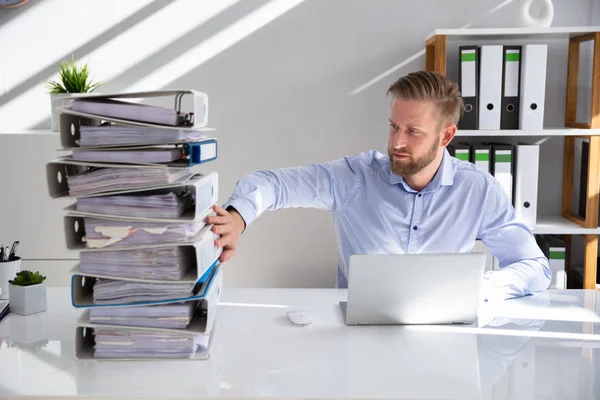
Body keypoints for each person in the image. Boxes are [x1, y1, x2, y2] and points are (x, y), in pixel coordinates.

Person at [206, 70, 551, 302]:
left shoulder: (477, 190)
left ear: (446, 136)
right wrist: (237, 217)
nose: (397, 141)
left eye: (413, 131)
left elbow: (534, 267)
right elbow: (271, 184)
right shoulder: (355, 177)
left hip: (445, 344)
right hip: (356, 341)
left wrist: (470, 289)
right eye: (393, 126)